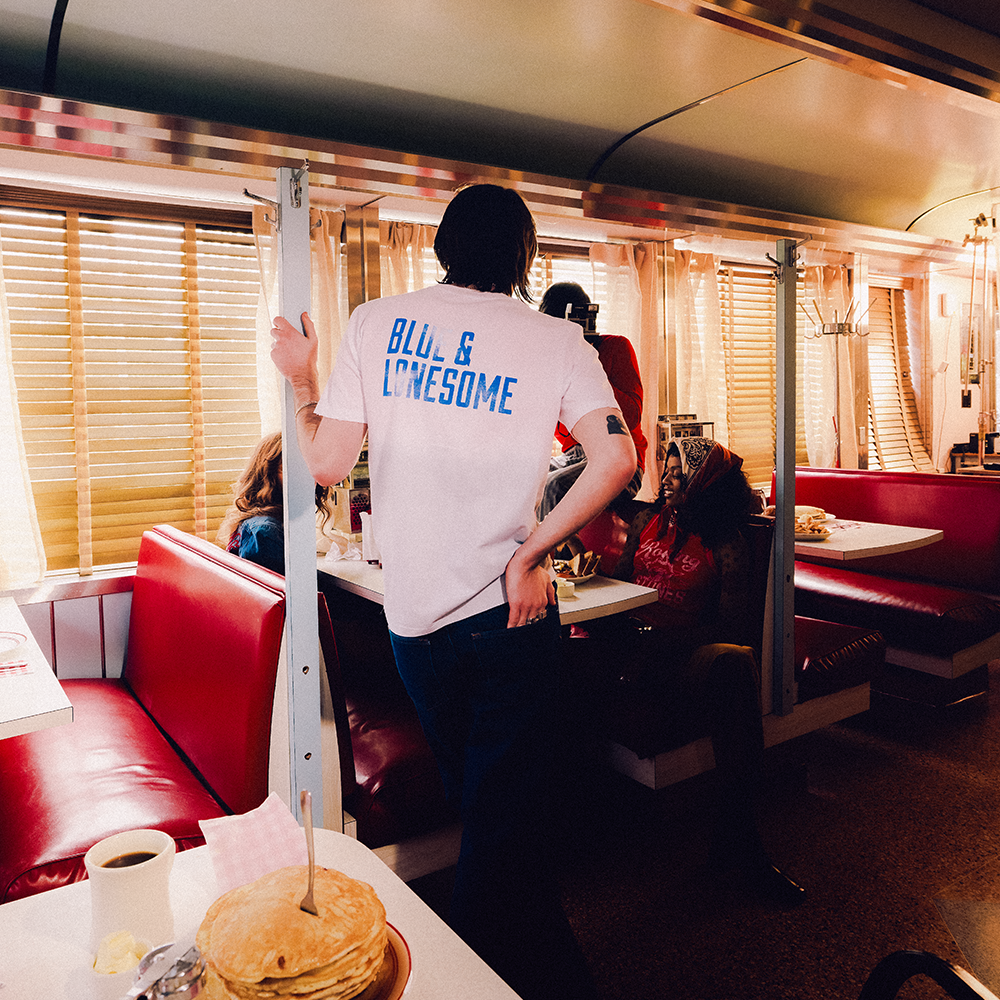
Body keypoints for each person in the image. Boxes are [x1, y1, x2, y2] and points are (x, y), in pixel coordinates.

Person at [270, 183, 636, 1000]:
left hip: (415, 629)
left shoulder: (374, 322)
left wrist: (301, 381)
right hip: (509, 620)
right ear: (524, 257)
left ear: (441, 247)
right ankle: (467, 979)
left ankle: (543, 967)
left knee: (492, 810)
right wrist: (533, 550)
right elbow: (616, 460)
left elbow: (323, 465)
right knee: (501, 819)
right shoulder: (557, 339)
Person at [570, 435, 805, 907]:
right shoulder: (646, 521)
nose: (670, 476)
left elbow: (730, 627)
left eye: (681, 470)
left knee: (733, 663)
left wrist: (659, 644)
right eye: (668, 467)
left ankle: (740, 845)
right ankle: (574, 832)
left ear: (707, 481)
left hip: (681, 651)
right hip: (625, 645)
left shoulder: (727, 543)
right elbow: (616, 586)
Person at [536, 282, 647, 520]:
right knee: (526, 479)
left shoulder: (616, 347)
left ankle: (554, 557)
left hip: (622, 457)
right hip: (575, 455)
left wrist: (589, 362)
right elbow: (561, 431)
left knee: (553, 487)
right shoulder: (555, 361)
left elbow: (632, 415)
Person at [216, 430, 333, 574]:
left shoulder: (262, 522)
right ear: (267, 475)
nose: (306, 477)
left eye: (310, 467)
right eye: (291, 469)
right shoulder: (265, 532)